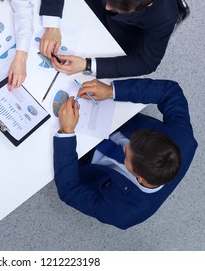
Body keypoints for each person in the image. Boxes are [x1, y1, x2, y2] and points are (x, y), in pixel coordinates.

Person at [53, 78, 197, 229]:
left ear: (139, 178)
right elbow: (169, 91)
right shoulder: (183, 140)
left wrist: (66, 132)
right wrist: (111, 91)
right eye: (131, 141)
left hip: (75, 158)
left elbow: (69, 191)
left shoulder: (123, 213)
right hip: (108, 116)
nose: (124, 146)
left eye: (127, 153)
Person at [39, 0, 179, 78]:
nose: (107, 7)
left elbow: (147, 62)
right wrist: (51, 23)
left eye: (116, 7)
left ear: (148, 5)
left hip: (118, 37)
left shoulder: (165, 14)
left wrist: (88, 65)